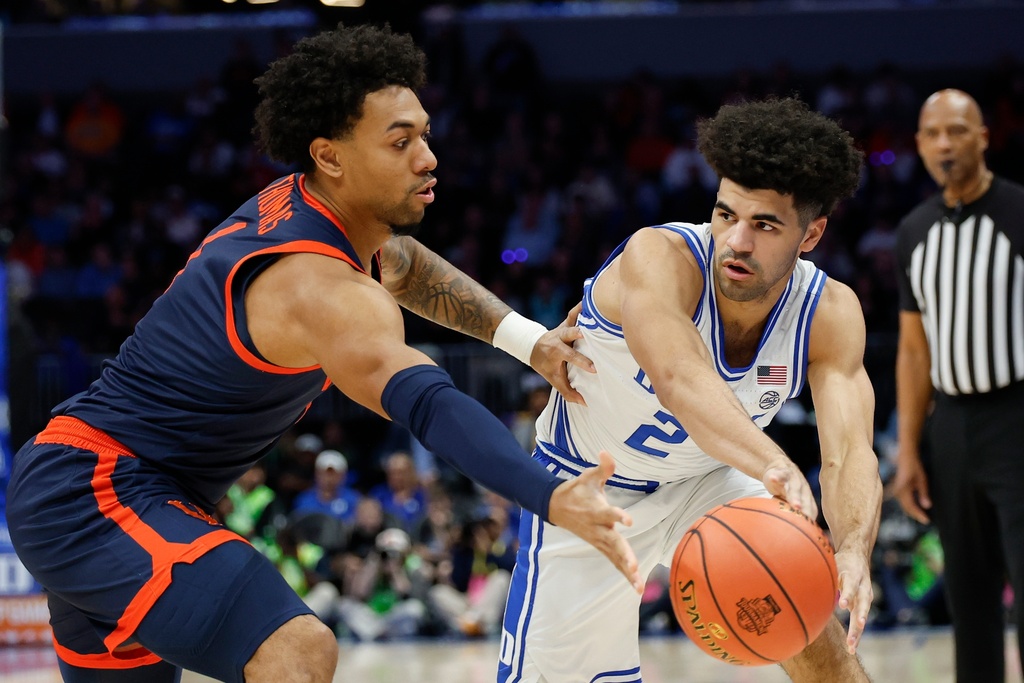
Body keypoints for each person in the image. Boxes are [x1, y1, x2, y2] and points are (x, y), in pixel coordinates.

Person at [5, 24, 642, 683]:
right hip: (97, 492)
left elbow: (405, 264)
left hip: (120, 492)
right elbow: (428, 403)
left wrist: (527, 341)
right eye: (400, 142)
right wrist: (550, 496)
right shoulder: (322, 290)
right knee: (298, 649)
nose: (428, 158)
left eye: (425, 135)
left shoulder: (316, 210)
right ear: (330, 156)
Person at [498, 97, 883, 683]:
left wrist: (853, 546)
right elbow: (681, 378)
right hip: (588, 485)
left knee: (811, 627)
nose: (737, 241)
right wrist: (775, 464)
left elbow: (851, 451)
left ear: (811, 234)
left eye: (765, 225)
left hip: (708, 480)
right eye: (726, 214)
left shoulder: (829, 312)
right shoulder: (661, 257)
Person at [892, 88, 1024, 683]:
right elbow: (913, 350)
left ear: (983, 137)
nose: (944, 144)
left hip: (1016, 417)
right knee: (969, 601)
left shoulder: (1018, 212)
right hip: (950, 428)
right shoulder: (914, 231)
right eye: (933, 133)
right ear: (919, 145)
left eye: (957, 130)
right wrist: (909, 451)